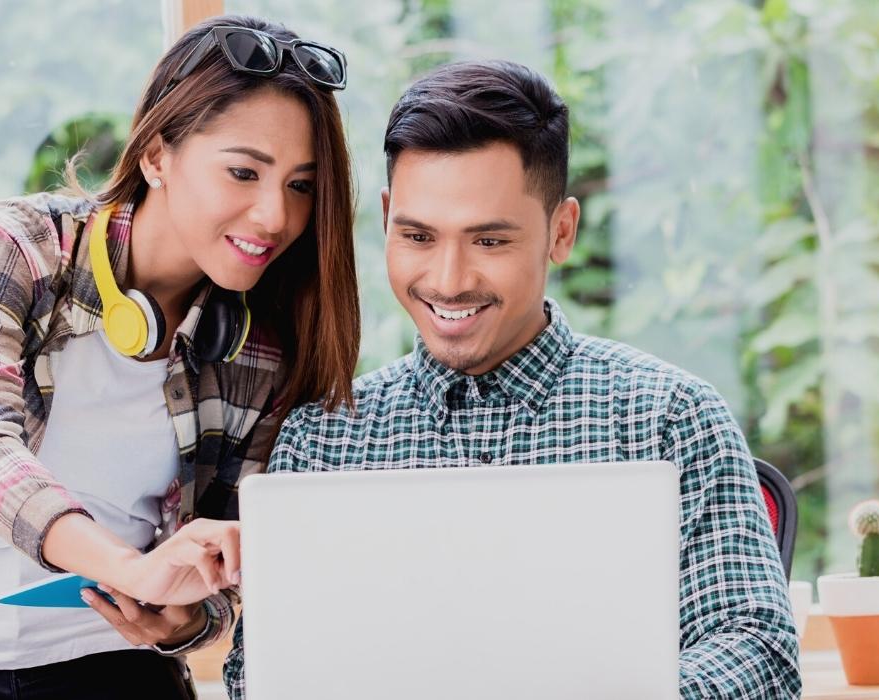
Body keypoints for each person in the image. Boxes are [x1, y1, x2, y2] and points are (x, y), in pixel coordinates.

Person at [222, 59, 801, 699]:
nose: (448, 279)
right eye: (417, 235)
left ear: (561, 231)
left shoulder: (669, 417)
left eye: (489, 242)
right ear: (386, 218)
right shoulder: (323, 441)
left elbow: (758, 653)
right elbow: (258, 678)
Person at [0, 15, 360, 699]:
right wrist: (125, 567)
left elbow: (222, 568)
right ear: (157, 156)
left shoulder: (259, 349)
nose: (273, 217)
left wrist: (182, 616)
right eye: (243, 172)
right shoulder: (16, 244)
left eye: (300, 186)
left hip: (102, 660)